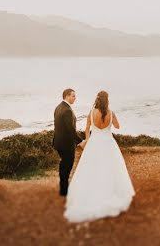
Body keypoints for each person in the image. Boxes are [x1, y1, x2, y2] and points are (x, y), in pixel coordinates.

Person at [64, 90, 135, 222]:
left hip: (94, 143)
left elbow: (87, 128)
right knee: (111, 169)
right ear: (107, 100)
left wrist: (87, 140)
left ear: (97, 99)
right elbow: (118, 126)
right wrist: (112, 120)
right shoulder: (111, 112)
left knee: (92, 169)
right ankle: (110, 193)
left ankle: (90, 195)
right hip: (108, 143)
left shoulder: (91, 112)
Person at [52, 87, 82, 196]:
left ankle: (63, 188)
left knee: (63, 164)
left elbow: (59, 127)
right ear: (67, 96)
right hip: (66, 144)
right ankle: (64, 191)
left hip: (58, 142)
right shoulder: (67, 110)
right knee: (67, 165)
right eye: (73, 96)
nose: (75, 98)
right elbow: (70, 130)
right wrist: (80, 141)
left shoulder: (58, 107)